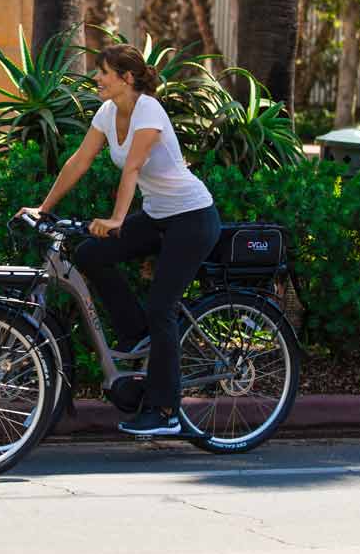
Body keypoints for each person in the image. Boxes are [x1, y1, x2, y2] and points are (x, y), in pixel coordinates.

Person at [17, 44, 221, 437]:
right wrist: (43, 208)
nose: (97, 78)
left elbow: (132, 168)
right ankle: (137, 335)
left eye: (104, 72)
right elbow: (80, 159)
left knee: (163, 306)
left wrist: (116, 219)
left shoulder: (148, 110)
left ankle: (165, 412)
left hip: (192, 218)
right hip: (161, 215)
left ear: (127, 78)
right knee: (92, 253)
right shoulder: (108, 112)